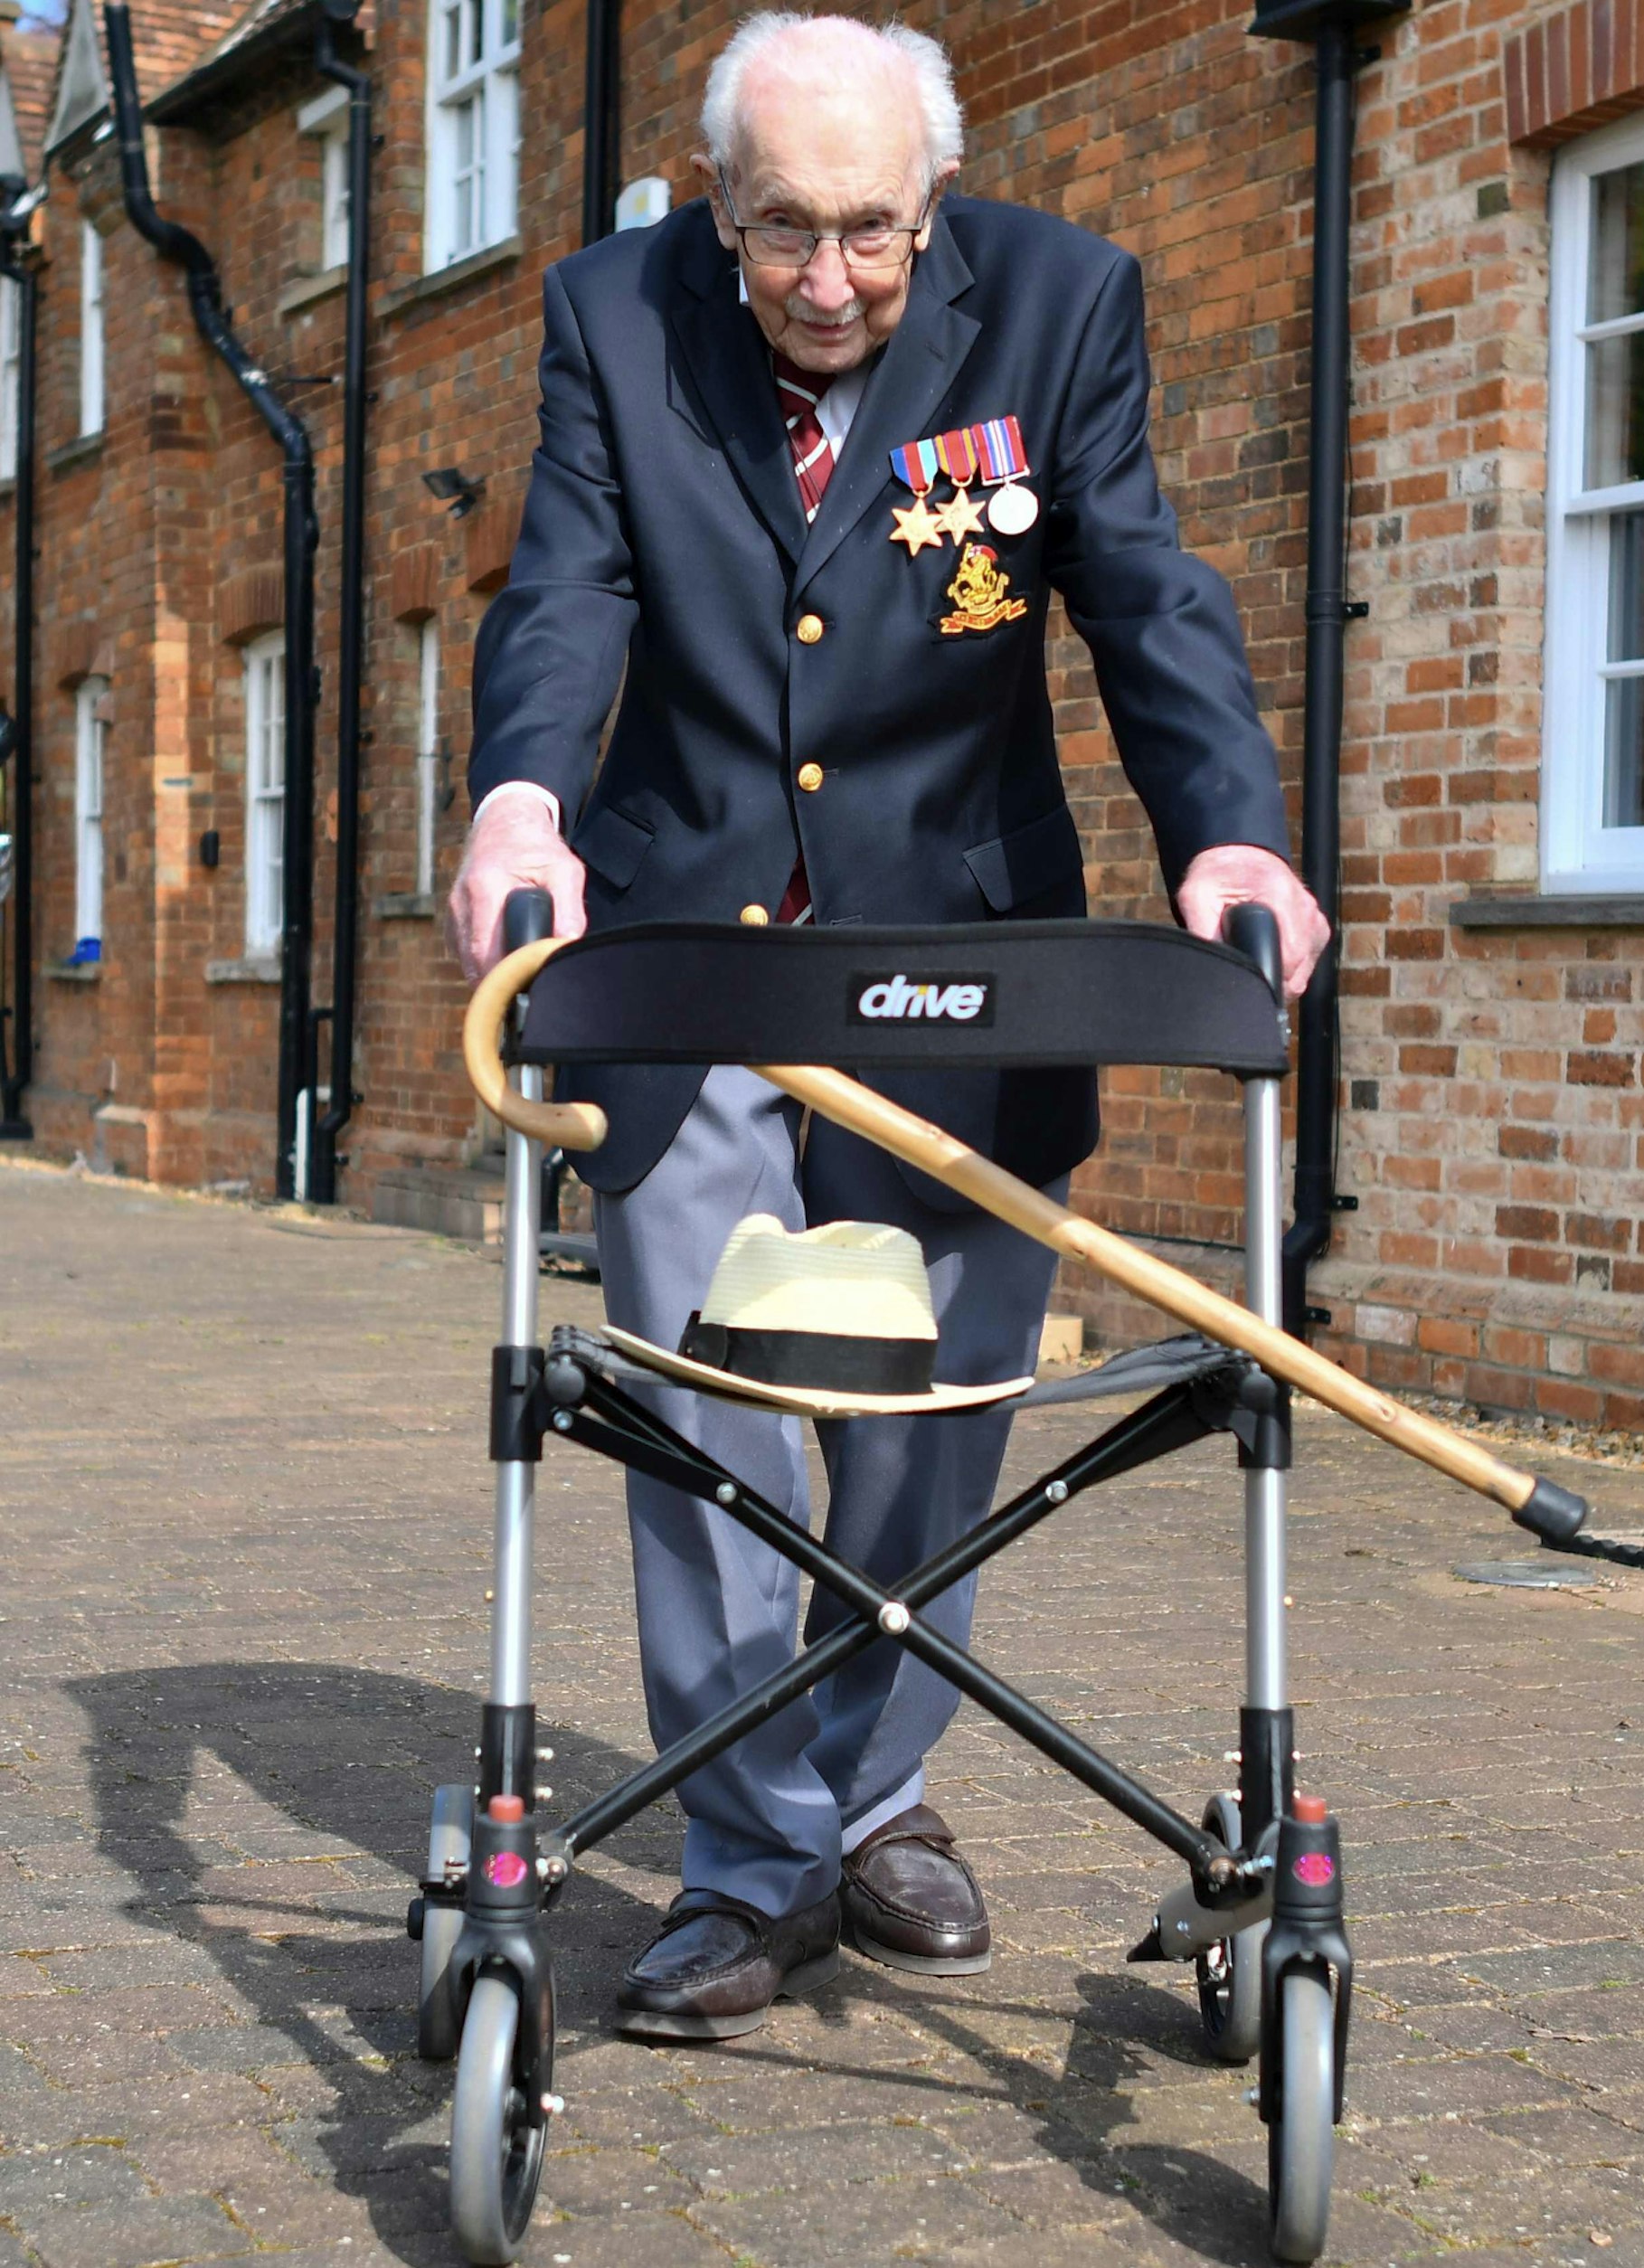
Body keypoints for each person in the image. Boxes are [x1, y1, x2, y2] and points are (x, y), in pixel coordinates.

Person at [451, 11, 1327, 2041]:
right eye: (783, 231)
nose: (830, 279)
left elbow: (1141, 588)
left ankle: (875, 1795)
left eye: (870, 231)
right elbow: (567, 591)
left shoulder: (1063, 303)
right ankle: (754, 1859)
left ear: (936, 201)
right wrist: (516, 803)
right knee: (708, 1413)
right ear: (713, 203)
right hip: (688, 951)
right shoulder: (610, 315)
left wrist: (1229, 837)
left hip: (963, 945)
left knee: (936, 1423)